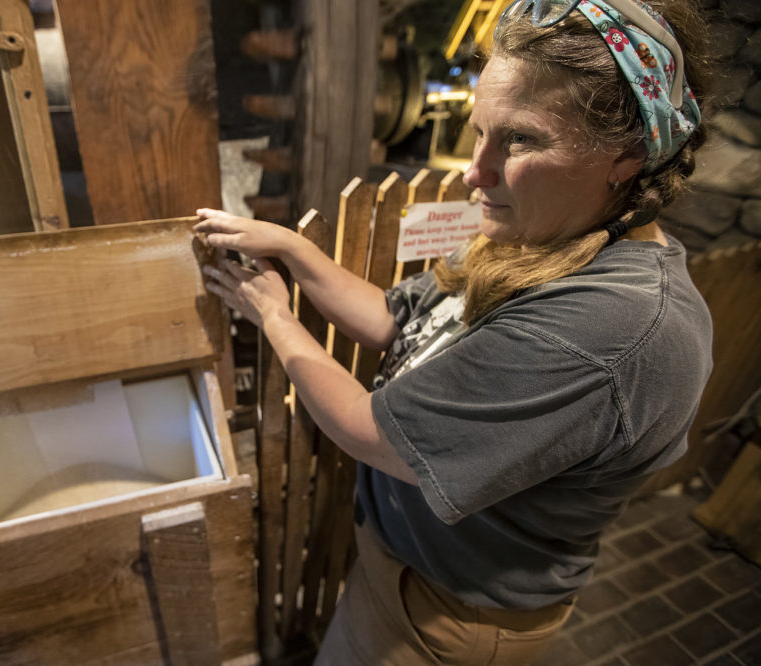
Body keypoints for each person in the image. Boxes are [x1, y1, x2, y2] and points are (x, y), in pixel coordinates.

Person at [196, 0, 712, 662]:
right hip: (409, 575)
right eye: (480, 133)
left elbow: (370, 431)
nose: (475, 172)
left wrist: (274, 315)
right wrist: (295, 254)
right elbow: (395, 317)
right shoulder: (548, 234)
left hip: (444, 613)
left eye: (520, 139)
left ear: (629, 153)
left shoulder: (611, 325)